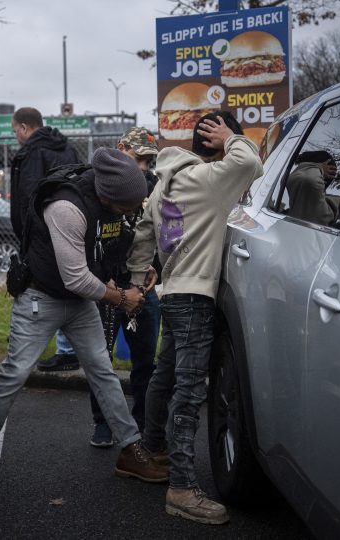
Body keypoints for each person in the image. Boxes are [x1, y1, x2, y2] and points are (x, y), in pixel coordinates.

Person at [0, 148, 168, 494]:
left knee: (102, 371)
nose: (132, 212)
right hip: (40, 298)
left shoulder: (111, 205)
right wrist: (121, 298)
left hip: (80, 302)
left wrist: (139, 270)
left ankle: (129, 450)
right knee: (13, 373)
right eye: (128, 206)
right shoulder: (66, 208)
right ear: (108, 196)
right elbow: (75, 277)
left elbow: (111, 247)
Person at [126, 111, 263, 525]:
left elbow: (142, 240)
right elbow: (250, 163)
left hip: (172, 293)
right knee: (189, 391)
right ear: (217, 141)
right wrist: (234, 137)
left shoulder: (163, 183)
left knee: (164, 375)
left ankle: (151, 451)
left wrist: (138, 279)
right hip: (196, 295)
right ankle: (182, 487)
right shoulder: (211, 179)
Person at [87, 127, 162, 447]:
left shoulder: (156, 186)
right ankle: (102, 422)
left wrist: (155, 268)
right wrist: (105, 280)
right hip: (108, 284)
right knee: (100, 359)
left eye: (149, 161)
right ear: (121, 149)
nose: (143, 167)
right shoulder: (100, 184)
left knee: (145, 358)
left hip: (141, 284)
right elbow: (91, 238)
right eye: (139, 158)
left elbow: (164, 232)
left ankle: (143, 421)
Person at [10, 107, 82, 372]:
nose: (16, 135)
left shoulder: (31, 153)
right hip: (71, 225)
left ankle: (52, 348)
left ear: (26, 127)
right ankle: (69, 348)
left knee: (39, 288)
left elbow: (28, 196)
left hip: (40, 233)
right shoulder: (66, 147)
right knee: (68, 284)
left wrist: (27, 233)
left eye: (15, 129)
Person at [286, 150, 340, 226]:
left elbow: (309, 180)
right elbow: (309, 180)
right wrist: (318, 168)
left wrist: (317, 168)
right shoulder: (309, 187)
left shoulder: (322, 207)